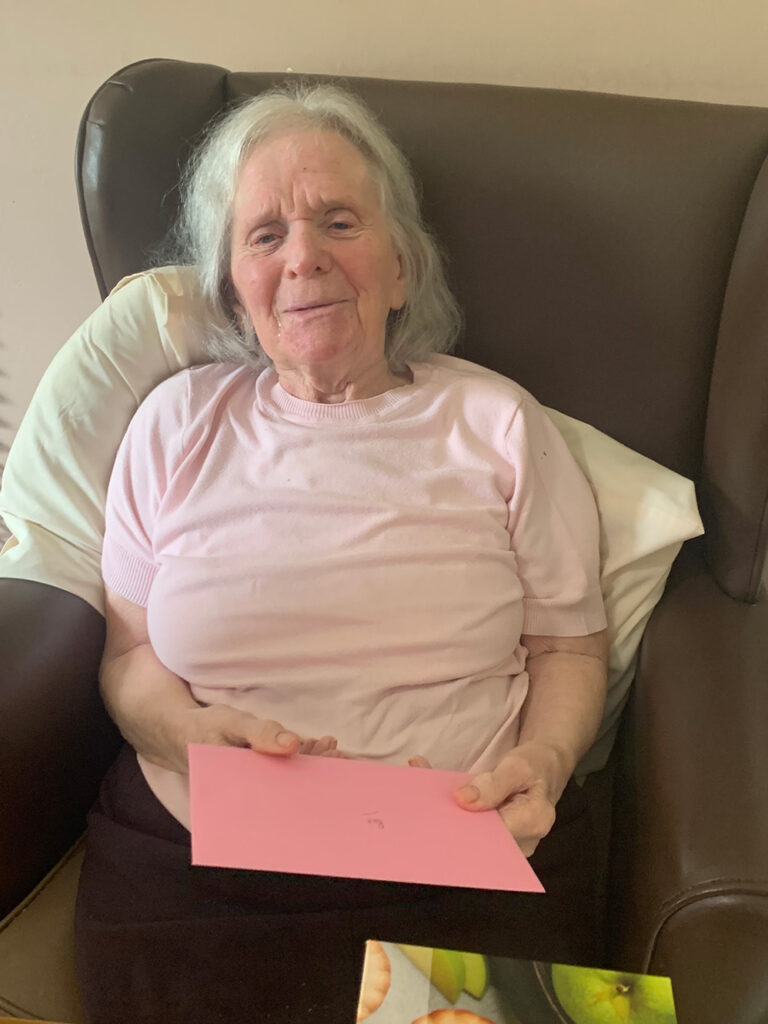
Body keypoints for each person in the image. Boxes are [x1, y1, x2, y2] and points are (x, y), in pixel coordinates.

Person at [75, 82, 608, 1024]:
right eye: (265, 235)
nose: (304, 257)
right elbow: (131, 653)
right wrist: (181, 734)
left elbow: (569, 647)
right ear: (232, 286)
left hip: (461, 859)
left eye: (338, 222)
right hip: (200, 866)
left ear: (400, 268)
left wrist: (550, 757)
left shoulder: (497, 423)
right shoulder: (175, 424)